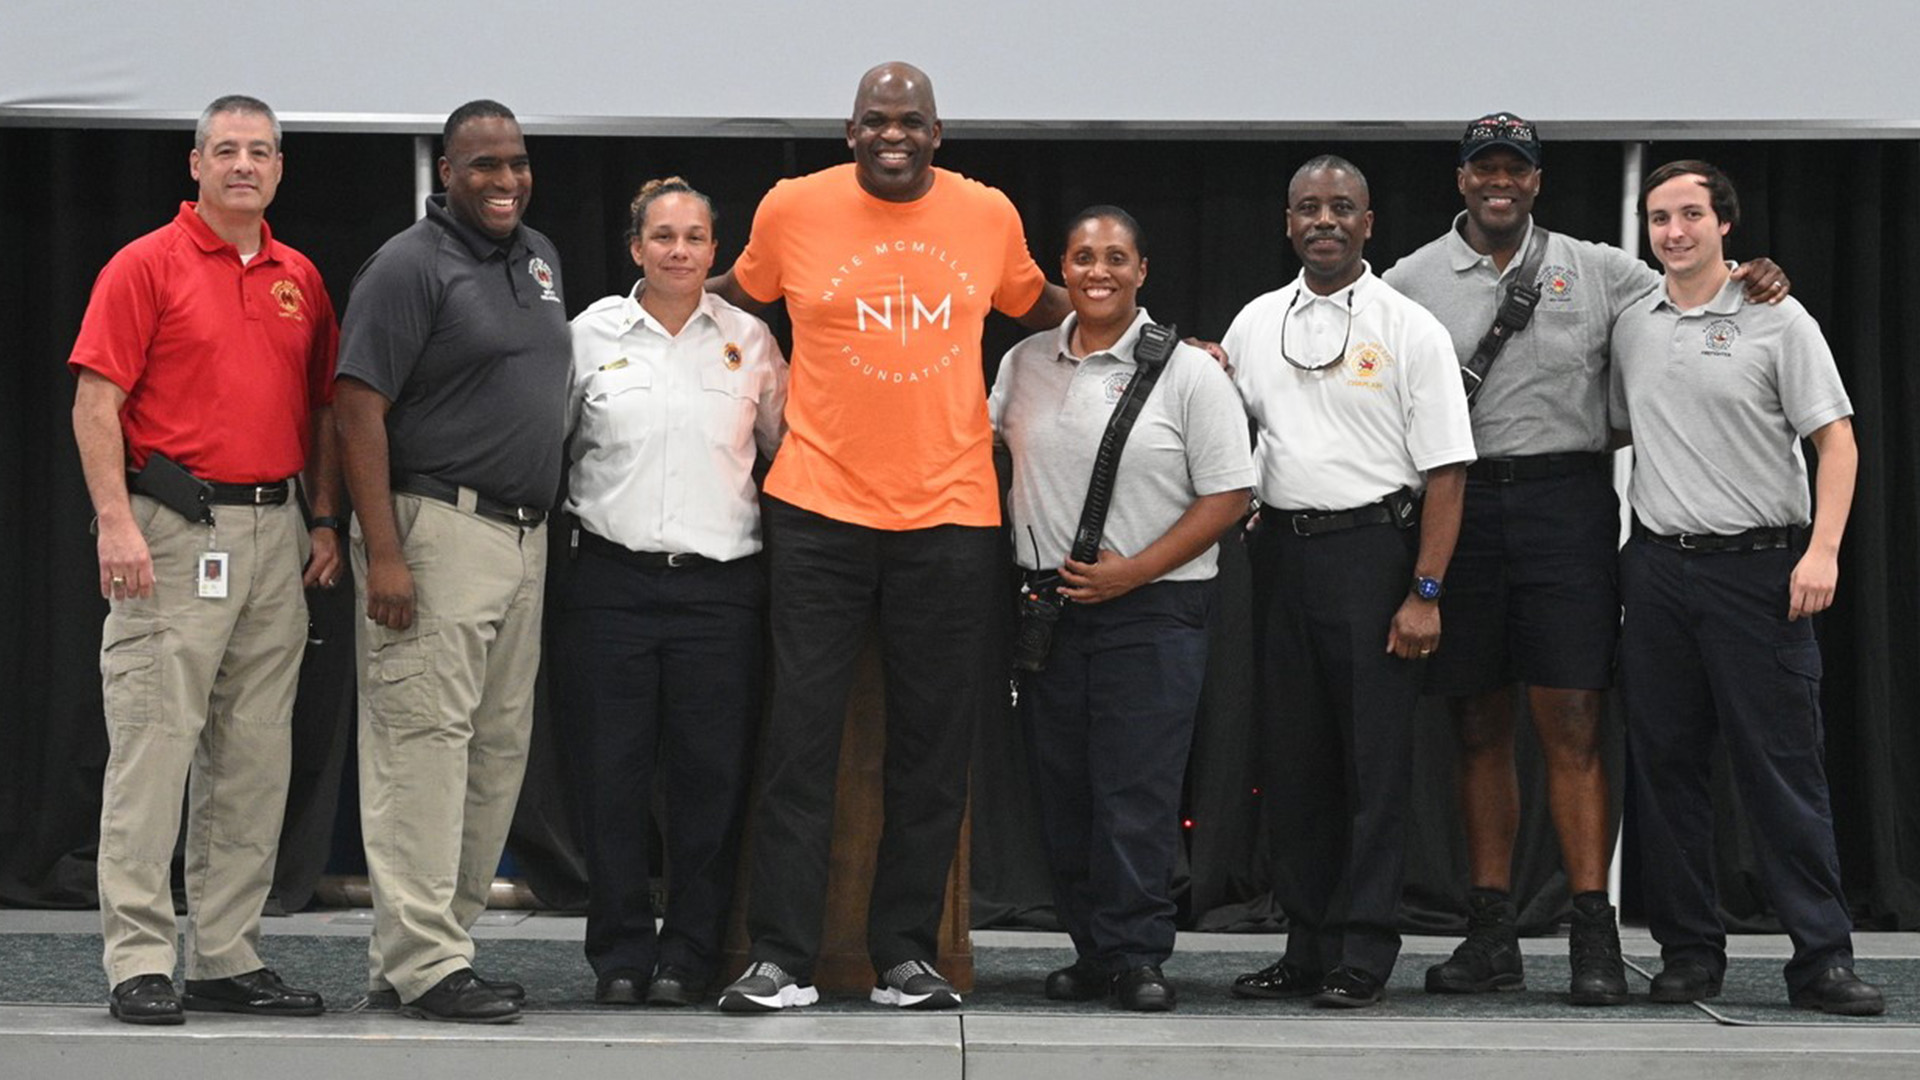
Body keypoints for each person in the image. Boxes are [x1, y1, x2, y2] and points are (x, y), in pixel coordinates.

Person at [1383, 113, 1789, 1005]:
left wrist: (1756, 275)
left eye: (1516, 169)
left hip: (1567, 504)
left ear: (1536, 181)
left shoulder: (1599, 268)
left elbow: (1695, 292)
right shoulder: (1410, 279)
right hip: (1462, 507)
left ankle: (1591, 934)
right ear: (1461, 180)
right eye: (1484, 167)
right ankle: (1489, 933)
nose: (1501, 182)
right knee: (1477, 726)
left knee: (1570, 721)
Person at [708, 60, 1070, 1012]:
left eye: (911, 121)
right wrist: (631, 312)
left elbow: (1048, 312)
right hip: (818, 508)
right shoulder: (791, 208)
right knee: (799, 739)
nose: (893, 134)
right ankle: (779, 957)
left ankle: (906, 956)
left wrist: (1153, 338)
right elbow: (728, 300)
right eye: (876, 120)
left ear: (938, 134)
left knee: (931, 744)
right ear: (850, 129)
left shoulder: (987, 215)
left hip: (949, 514)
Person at [69, 94, 339, 1025]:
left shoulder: (298, 273)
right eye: (225, 150)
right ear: (194, 164)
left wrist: (325, 522)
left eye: (260, 151)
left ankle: (226, 955)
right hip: (177, 530)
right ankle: (139, 959)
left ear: (278, 167)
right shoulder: (145, 265)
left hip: (275, 529)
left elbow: (322, 412)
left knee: (255, 755)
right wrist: (116, 523)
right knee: (153, 743)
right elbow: (95, 404)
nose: (243, 166)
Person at [1611, 160, 1882, 1016]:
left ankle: (1823, 960)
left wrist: (1823, 552)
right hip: (1656, 570)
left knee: (1782, 771)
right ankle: (1690, 956)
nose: (1674, 232)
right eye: (1659, 218)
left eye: (1691, 214)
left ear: (1725, 224)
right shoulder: (1634, 323)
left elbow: (1836, 443)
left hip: (1761, 570)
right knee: (1667, 771)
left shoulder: (1778, 316)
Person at [334, 99, 570, 1024]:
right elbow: (357, 409)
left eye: (516, 163)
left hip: (523, 538)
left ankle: (435, 951)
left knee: (495, 753)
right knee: (420, 748)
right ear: (447, 173)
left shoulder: (540, 255)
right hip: (433, 529)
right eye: (483, 166)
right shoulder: (407, 266)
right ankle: (427, 960)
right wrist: (384, 553)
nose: (504, 180)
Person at [1226, 156, 1475, 1009]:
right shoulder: (1258, 321)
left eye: (1341, 208)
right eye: (1307, 208)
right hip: (1284, 560)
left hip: (1377, 558)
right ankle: (1305, 941)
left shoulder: (1411, 327)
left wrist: (1425, 593)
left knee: (1374, 767)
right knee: (1295, 764)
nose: (1323, 221)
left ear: (1370, 224)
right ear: (1287, 222)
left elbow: (1447, 472)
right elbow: (1232, 434)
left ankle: (1362, 950)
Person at [990, 207, 1253, 1013]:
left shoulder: (1190, 372)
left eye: (1115, 258)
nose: (1097, 271)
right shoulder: (1024, 362)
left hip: (1155, 609)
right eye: (1081, 257)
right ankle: (1096, 952)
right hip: (1050, 611)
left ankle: (1140, 954)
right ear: (1060, 272)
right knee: (1065, 793)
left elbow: (1231, 495)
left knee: (1134, 793)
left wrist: (1131, 573)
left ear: (1142, 271)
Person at [560, 177, 787, 1008]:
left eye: (694, 237)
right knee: (610, 779)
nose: (679, 251)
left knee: (710, 783)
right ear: (635, 248)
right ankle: (619, 954)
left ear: (714, 251)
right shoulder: (588, 335)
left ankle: (689, 954)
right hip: (611, 585)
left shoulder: (751, 341)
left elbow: (789, 453)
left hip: (720, 594)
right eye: (663, 236)